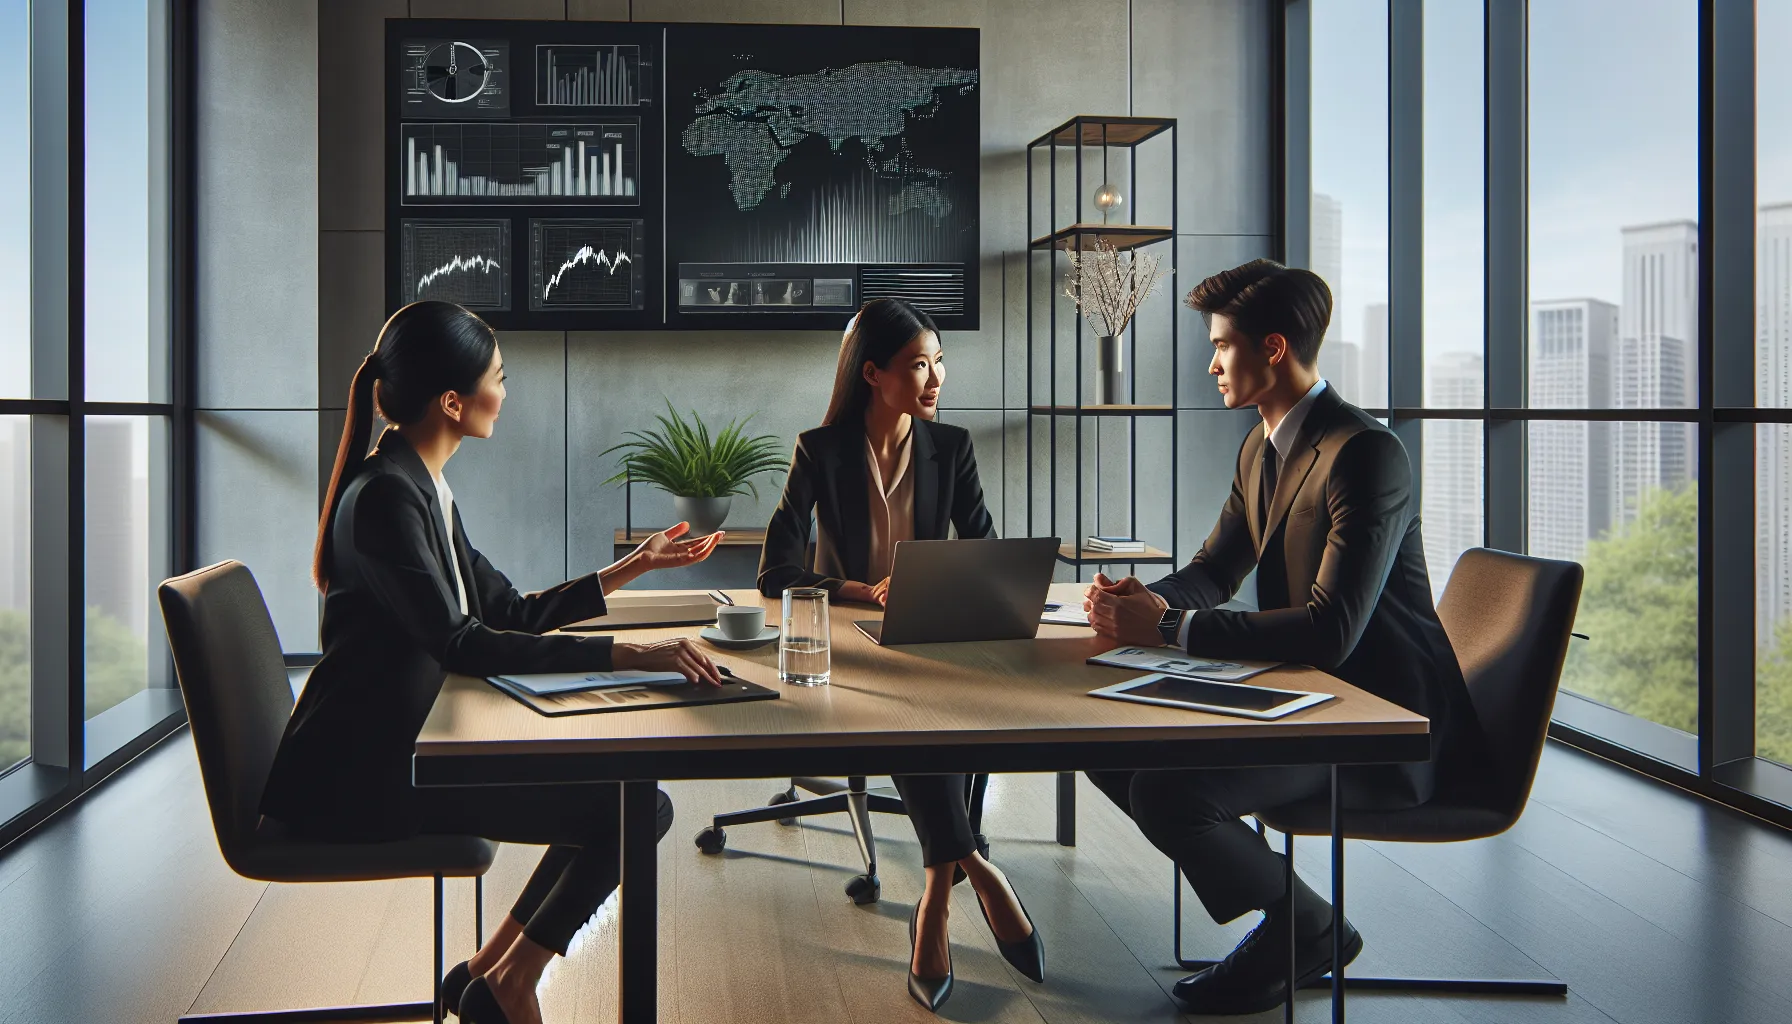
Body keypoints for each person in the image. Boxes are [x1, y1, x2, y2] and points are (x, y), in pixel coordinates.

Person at [260, 300, 726, 1024]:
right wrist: (626, 651)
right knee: (635, 811)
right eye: (498, 378)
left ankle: (485, 974)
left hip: (399, 747)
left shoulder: (418, 484)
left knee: (621, 799)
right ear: (453, 400)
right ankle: (507, 987)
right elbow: (462, 643)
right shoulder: (389, 498)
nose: (505, 394)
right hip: (360, 775)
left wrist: (628, 569)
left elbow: (504, 608)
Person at [1082, 260, 1479, 1016]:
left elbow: (1331, 630)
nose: (1211, 363)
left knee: (1168, 790)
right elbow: (1214, 568)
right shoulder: (1259, 450)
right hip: (1299, 697)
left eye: (1222, 345)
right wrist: (1143, 600)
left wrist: (1167, 628)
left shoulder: (1365, 453)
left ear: (1271, 347)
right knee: (1105, 746)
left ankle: (1304, 927)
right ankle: (1302, 920)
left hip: (1378, 722)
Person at [757, 297, 1044, 1011]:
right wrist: (860, 589)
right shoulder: (818, 451)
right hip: (851, 644)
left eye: (939, 362)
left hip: (931, 633)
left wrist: (935, 588)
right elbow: (775, 570)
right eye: (920, 364)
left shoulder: (952, 449)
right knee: (920, 717)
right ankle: (966, 875)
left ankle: (939, 895)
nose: (936, 377)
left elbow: (984, 548)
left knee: (946, 700)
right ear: (875, 374)